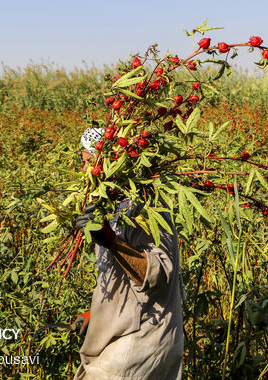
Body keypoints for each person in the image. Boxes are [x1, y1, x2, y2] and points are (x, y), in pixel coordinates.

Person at [72, 128, 184, 379]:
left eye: (91, 163)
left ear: (116, 164)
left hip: (141, 343)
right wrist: (98, 316)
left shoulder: (145, 205)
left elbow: (158, 275)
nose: (86, 172)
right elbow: (121, 278)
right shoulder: (110, 206)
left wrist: (109, 239)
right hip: (126, 334)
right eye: (84, 163)